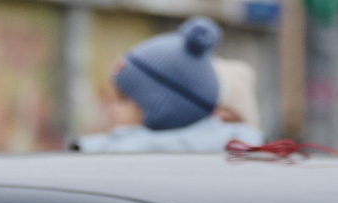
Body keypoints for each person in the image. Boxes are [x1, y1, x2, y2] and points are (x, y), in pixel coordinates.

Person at [74, 21, 264, 155]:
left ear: (160, 108)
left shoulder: (140, 155)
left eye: (123, 99)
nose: (112, 110)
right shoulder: (232, 149)